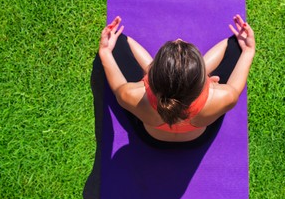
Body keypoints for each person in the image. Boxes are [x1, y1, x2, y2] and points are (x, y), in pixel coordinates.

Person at [98, 14, 255, 144]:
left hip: (152, 139)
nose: (179, 39)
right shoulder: (224, 97)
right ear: (205, 78)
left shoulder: (131, 95)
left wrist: (105, 52)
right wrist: (248, 50)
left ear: (151, 74)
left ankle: (174, 72)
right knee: (236, 45)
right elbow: (234, 86)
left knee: (117, 41)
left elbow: (118, 86)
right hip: (198, 139)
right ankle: (187, 72)